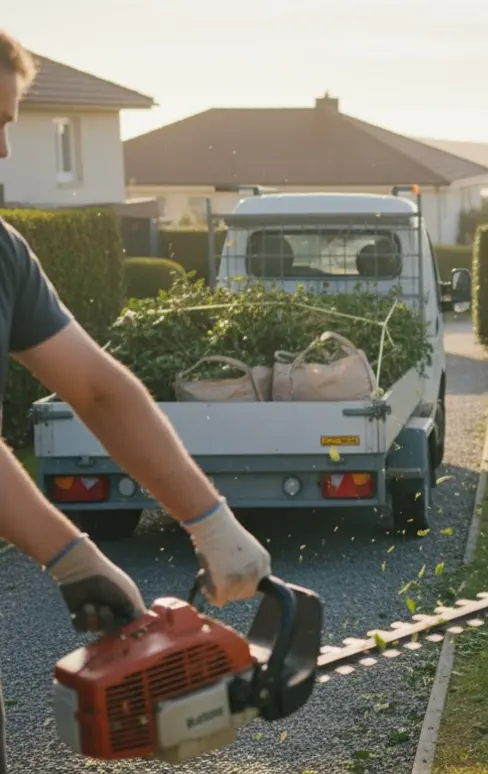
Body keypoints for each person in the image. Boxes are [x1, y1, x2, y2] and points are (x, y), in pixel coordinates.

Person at [0, 30, 272, 771]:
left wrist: (212, 524)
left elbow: (96, 387)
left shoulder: (1, 254)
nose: (1, 151)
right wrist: (71, 555)